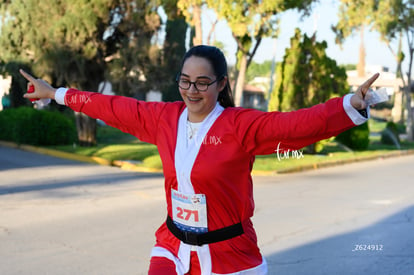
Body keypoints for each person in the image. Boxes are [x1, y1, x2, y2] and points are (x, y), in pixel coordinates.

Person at [20, 45, 379, 275]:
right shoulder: (163, 119)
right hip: (173, 246)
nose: (192, 91)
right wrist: (56, 93)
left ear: (221, 84)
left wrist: (350, 105)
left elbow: (296, 125)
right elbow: (112, 107)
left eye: (202, 83)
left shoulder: (240, 126)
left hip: (230, 254)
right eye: (185, 81)